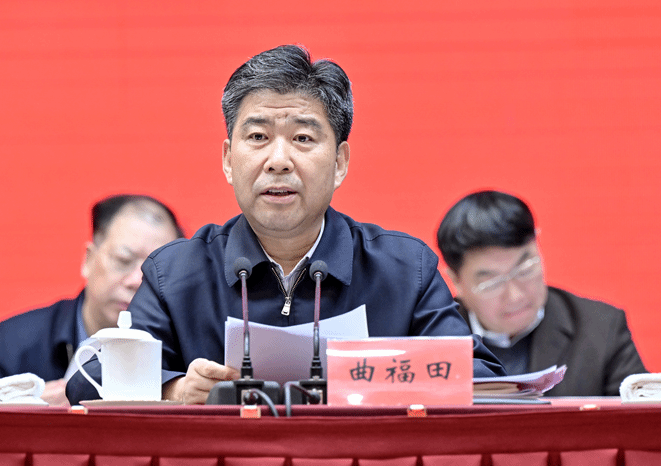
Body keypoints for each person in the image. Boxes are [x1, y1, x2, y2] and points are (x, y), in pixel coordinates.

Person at [67, 44, 505, 405]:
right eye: (258, 137)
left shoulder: (404, 270)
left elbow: (484, 381)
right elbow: (89, 379)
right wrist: (175, 389)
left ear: (339, 162)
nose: (278, 161)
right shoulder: (175, 273)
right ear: (228, 159)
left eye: (303, 138)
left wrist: (383, 381)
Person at [437, 190, 647, 396]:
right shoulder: (432, 340)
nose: (515, 296)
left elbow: (641, 414)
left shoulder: (601, 328)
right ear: (456, 280)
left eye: (525, 269)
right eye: (491, 283)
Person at [0, 194, 184, 405]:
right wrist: (26, 406)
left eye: (154, 271)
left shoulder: (185, 350)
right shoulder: (14, 343)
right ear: (88, 259)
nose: (136, 281)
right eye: (124, 260)